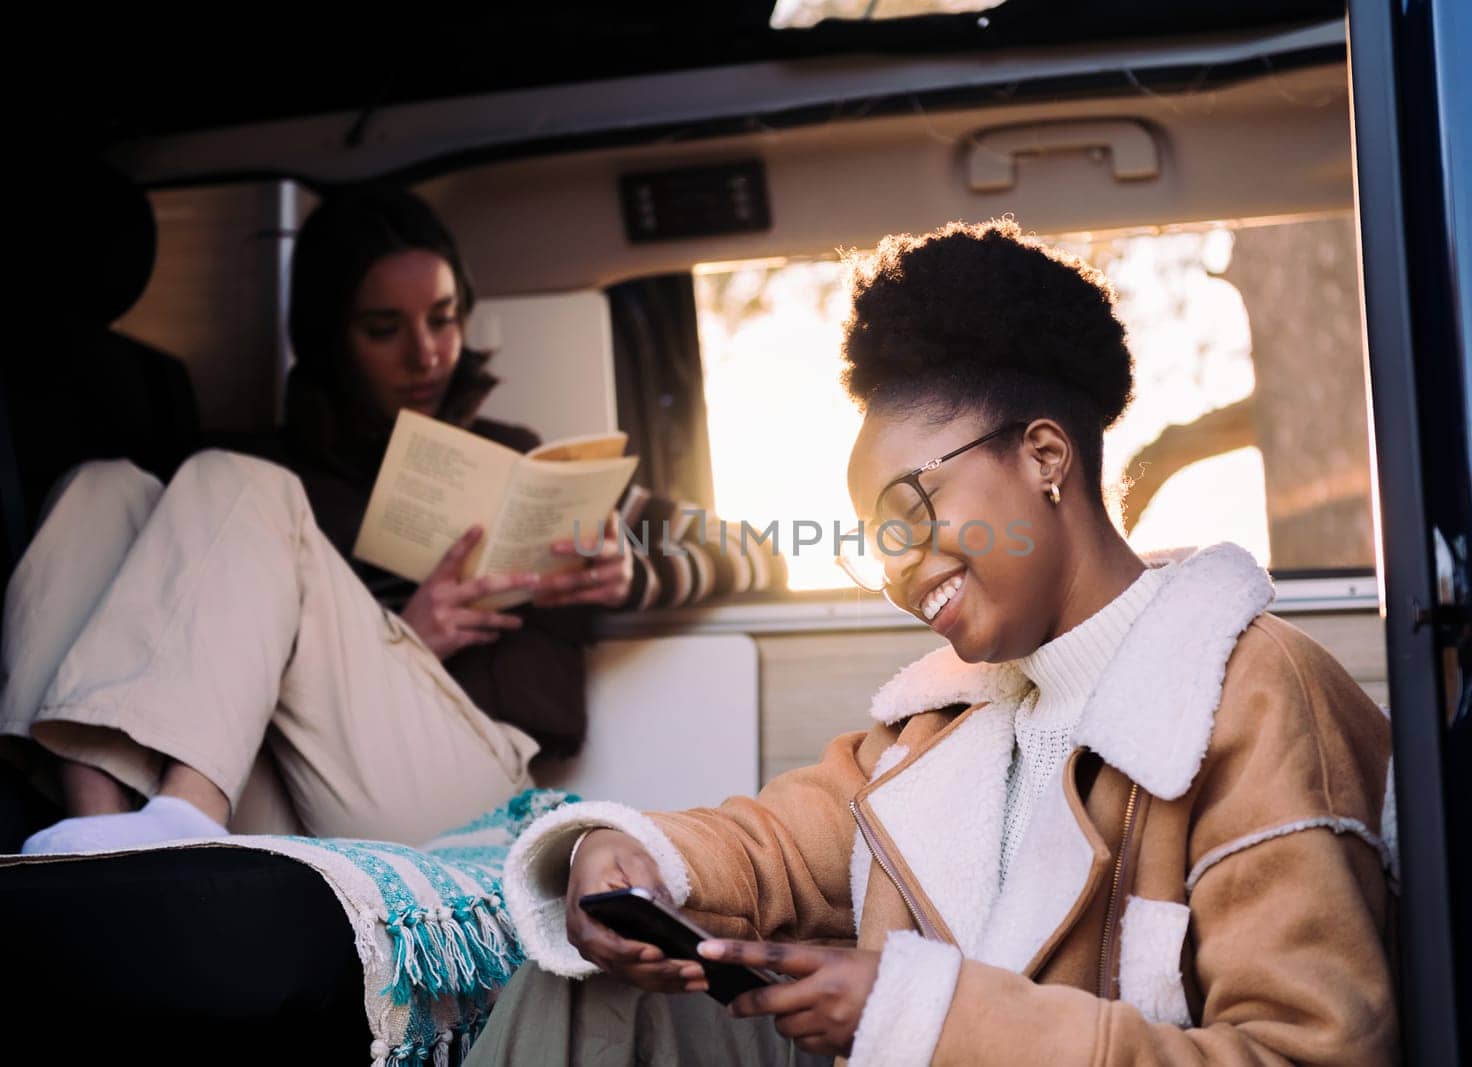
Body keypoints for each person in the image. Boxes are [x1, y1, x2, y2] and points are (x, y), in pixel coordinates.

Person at [472, 220, 1398, 1066]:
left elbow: (1309, 1054)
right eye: (875, 543)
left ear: (1044, 457)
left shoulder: (1255, 693)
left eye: (908, 512)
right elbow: (779, 842)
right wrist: (626, 854)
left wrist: (928, 1017)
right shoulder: (948, 716)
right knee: (583, 980)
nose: (898, 571)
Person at [2, 186, 635, 851]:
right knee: (101, 487)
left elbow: (722, 543)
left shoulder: (516, 451)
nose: (426, 355)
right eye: (384, 329)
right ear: (330, 338)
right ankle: (97, 834)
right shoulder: (265, 469)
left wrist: (633, 568)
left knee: (241, 480)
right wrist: (407, 626)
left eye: (444, 319)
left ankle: (186, 809)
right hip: (280, 772)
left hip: (458, 772)